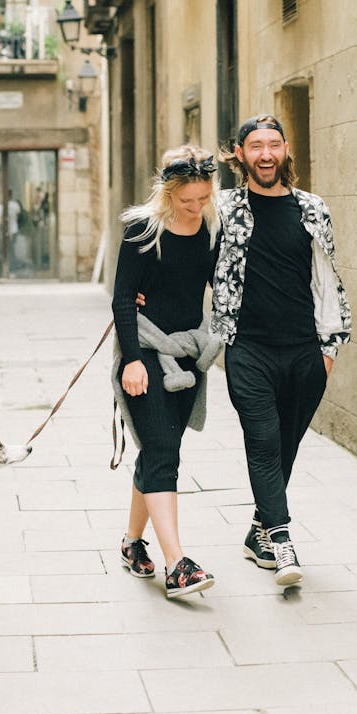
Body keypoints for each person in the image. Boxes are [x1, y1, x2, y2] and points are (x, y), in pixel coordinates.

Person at [212, 115, 351, 589]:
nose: (266, 154)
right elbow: (185, 253)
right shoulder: (222, 207)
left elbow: (327, 280)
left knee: (285, 446)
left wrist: (329, 349)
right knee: (264, 442)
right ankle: (282, 539)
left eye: (274, 145)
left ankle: (257, 535)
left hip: (305, 352)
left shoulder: (312, 208)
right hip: (247, 348)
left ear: (286, 150)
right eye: (256, 146)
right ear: (238, 153)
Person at [111, 145, 221, 599]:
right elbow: (122, 298)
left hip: (188, 353)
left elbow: (223, 285)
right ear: (168, 193)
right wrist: (132, 360)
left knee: (161, 450)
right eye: (186, 200)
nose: (195, 207)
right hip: (146, 352)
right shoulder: (144, 230)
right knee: (162, 452)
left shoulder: (212, 227)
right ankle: (177, 564)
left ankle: (132, 543)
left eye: (202, 198)